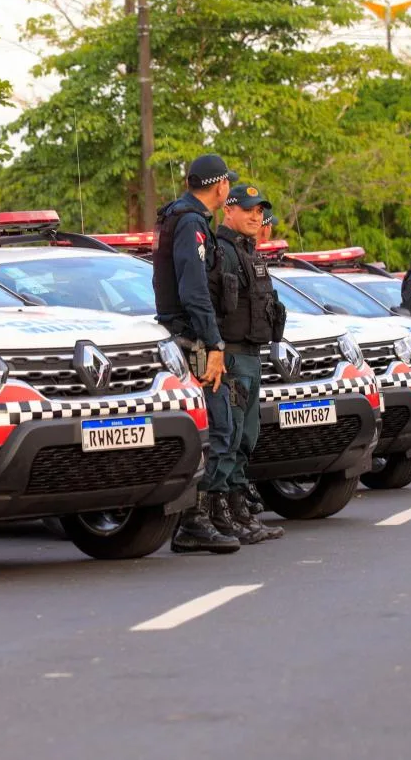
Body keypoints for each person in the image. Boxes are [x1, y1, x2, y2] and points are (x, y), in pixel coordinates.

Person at [152, 153, 240, 555]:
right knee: (217, 426)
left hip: (190, 335)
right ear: (220, 186)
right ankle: (193, 521)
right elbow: (194, 291)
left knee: (217, 425)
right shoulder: (191, 223)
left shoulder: (185, 217)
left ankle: (203, 516)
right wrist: (214, 344)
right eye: (228, 185)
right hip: (194, 339)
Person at [211, 184, 287, 545]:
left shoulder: (247, 251)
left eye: (260, 211)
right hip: (231, 355)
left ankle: (239, 509)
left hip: (252, 355)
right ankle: (221, 512)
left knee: (247, 437)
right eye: (248, 210)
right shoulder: (220, 251)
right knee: (231, 436)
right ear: (228, 210)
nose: (256, 216)